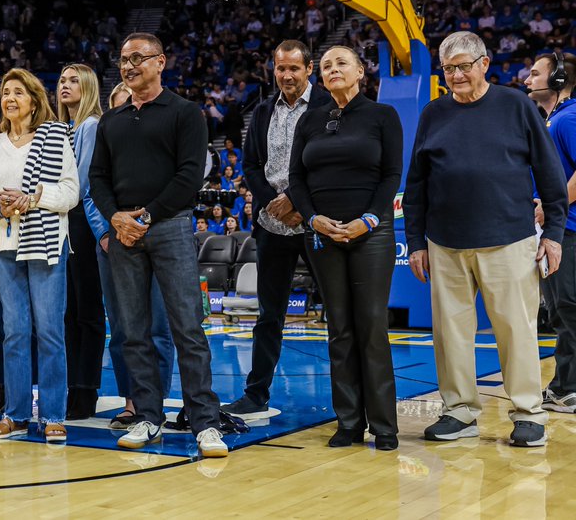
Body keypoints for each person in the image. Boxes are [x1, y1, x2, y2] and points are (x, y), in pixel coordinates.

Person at [404, 31, 566, 447]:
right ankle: (459, 411)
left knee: (515, 330)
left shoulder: (516, 105)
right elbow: (417, 182)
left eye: (463, 66)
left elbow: (550, 172)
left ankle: (528, 412)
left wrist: (553, 234)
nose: (456, 75)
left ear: (484, 64)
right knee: (450, 334)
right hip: (445, 242)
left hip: (508, 238)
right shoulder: (433, 113)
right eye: (448, 69)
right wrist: (416, 241)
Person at [88, 32, 227, 457]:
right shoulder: (111, 121)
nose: (129, 66)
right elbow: (97, 178)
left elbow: (189, 176)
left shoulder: (185, 113)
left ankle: (206, 422)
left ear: (160, 62)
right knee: (132, 332)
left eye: (138, 58)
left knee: (187, 328)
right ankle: (147, 416)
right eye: (123, 59)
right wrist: (116, 217)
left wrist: (144, 217)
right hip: (124, 231)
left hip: (170, 227)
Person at [286, 45, 403, 450]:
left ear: (360, 72)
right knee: (339, 328)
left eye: (341, 63)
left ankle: (384, 426)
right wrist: (311, 218)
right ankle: (349, 422)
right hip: (323, 234)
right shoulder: (310, 119)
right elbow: (296, 179)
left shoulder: (382, 115)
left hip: (371, 232)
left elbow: (392, 175)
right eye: (326, 65)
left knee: (371, 326)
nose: (333, 69)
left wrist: (368, 219)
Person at [223, 40, 333, 420]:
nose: (286, 75)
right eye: (280, 68)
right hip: (272, 224)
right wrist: (275, 202)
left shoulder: (328, 105)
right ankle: (256, 394)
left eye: (294, 68)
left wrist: (299, 206)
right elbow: (252, 166)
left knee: (338, 312)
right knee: (269, 316)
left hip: (315, 223)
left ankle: (350, 394)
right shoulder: (263, 110)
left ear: (309, 69)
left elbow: (329, 164)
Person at [0, 68, 79, 441]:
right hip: (4, 243)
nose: (10, 98)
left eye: (18, 92)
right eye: (5, 92)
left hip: (47, 245)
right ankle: (15, 414)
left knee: (49, 331)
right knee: (14, 332)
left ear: (34, 101)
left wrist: (32, 198)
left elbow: (71, 192)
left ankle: (52, 415)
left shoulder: (55, 138)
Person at [100, 80, 175, 431]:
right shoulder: (107, 131)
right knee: (124, 329)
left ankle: (155, 403)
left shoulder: (163, 127)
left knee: (159, 327)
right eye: (120, 106)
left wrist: (146, 219)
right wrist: (106, 230)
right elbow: (94, 186)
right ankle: (133, 402)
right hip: (113, 237)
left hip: (158, 230)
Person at [55, 63, 107, 419]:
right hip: (63, 220)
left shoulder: (90, 125)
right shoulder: (63, 128)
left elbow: (84, 184)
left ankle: (86, 390)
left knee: (86, 311)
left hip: (82, 222)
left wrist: (98, 231)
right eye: (62, 80)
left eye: (74, 80)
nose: (65, 85)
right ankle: (74, 387)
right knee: (69, 312)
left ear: (88, 87)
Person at [533, 51, 576, 413]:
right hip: (559, 229)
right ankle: (564, 386)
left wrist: (551, 205)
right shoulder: (554, 119)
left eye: (535, 73)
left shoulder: (568, 118)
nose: (527, 78)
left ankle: (569, 387)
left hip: (569, 231)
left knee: (567, 309)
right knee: (561, 312)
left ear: (559, 79)